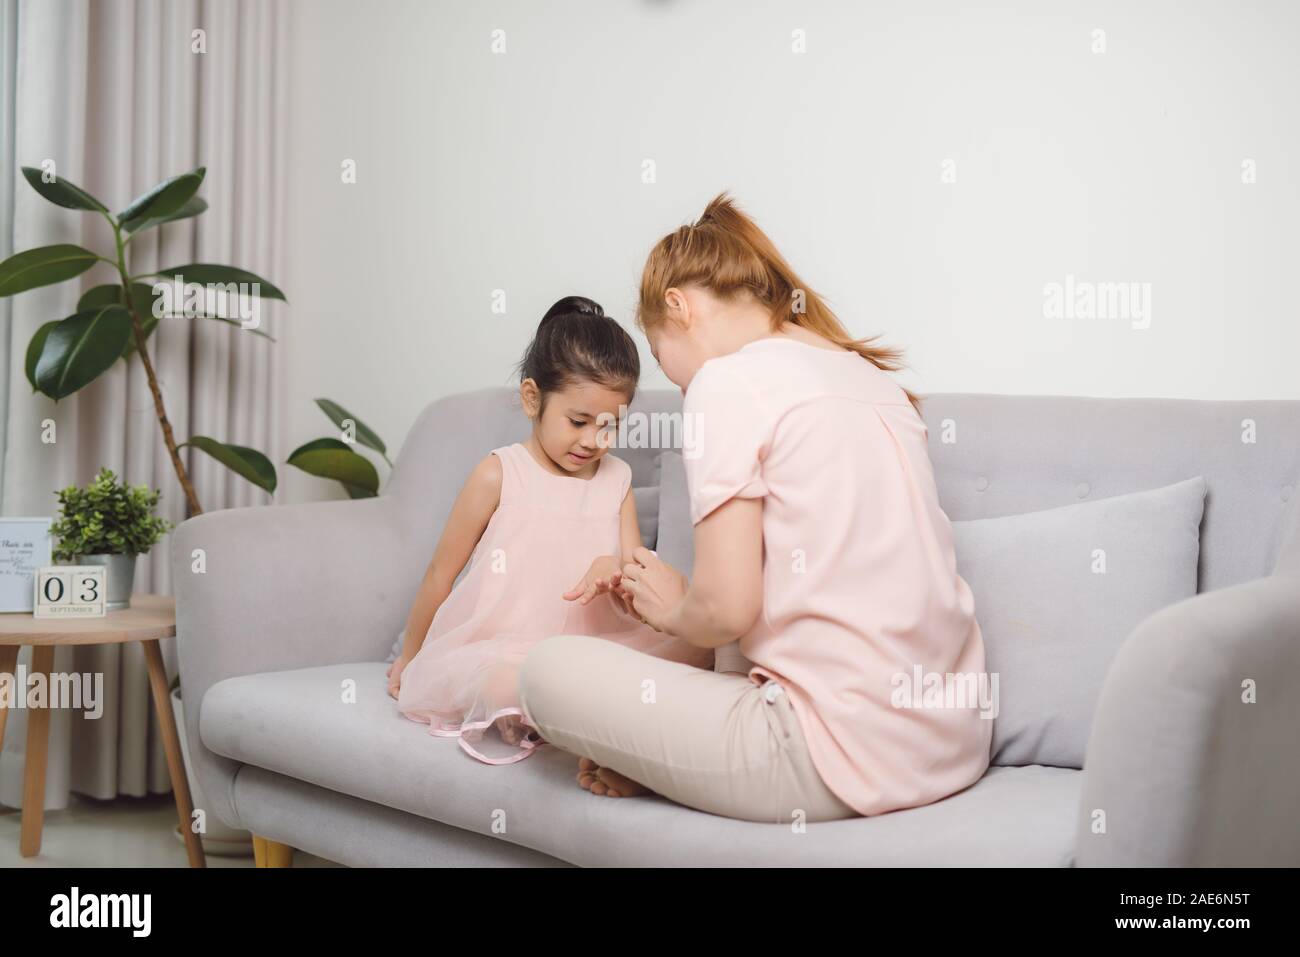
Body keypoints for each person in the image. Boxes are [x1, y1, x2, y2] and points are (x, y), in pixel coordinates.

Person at [518, 194, 993, 822]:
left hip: (832, 757)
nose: (681, 384)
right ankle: (679, 766)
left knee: (545, 671)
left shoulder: (728, 382)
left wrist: (674, 609)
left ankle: (674, 765)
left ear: (678, 308)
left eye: (664, 361)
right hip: (955, 742)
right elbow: (762, 603)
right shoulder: (871, 380)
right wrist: (699, 609)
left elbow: (728, 611)